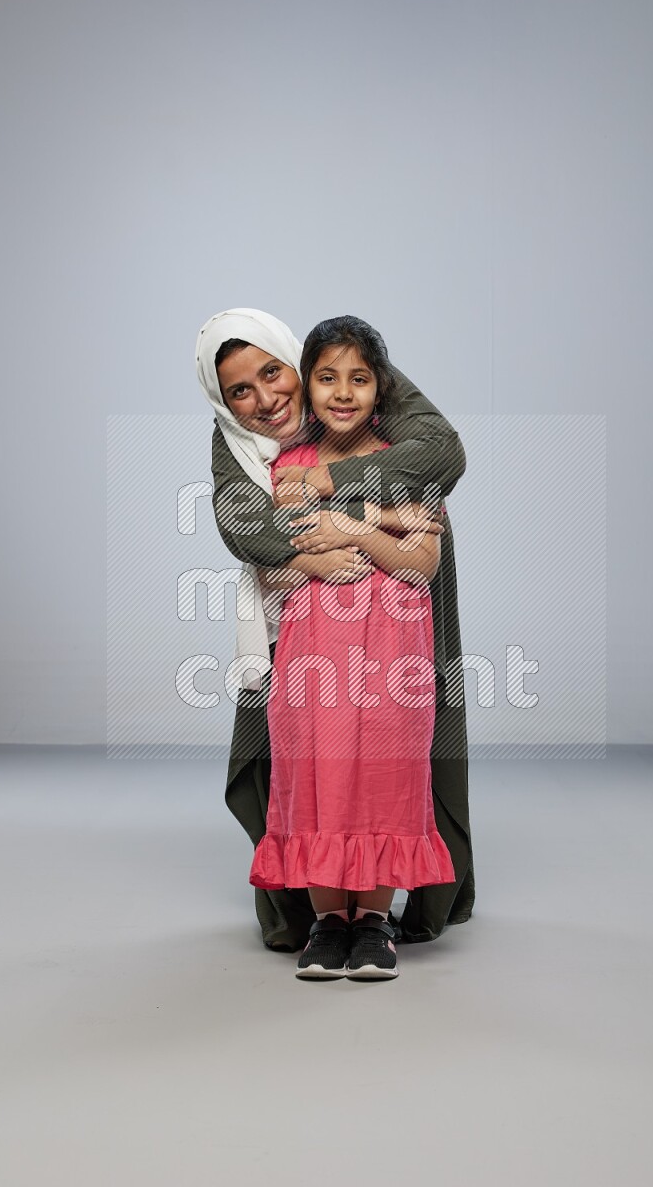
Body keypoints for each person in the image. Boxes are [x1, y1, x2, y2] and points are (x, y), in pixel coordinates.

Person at [195, 308, 474, 953]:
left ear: (295, 363)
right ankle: (304, 913)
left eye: (274, 373)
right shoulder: (234, 443)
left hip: (393, 624)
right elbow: (240, 523)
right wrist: (308, 556)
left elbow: (442, 455)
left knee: (399, 756)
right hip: (298, 624)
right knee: (299, 763)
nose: (265, 399)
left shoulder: (352, 379)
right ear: (221, 397)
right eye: (241, 390)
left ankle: (395, 908)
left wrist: (331, 496)